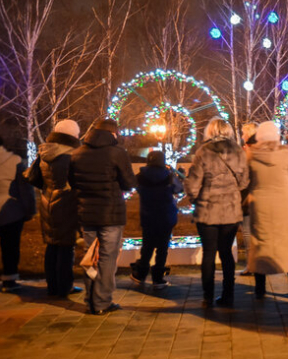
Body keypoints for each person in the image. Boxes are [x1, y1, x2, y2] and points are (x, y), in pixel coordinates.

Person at [69, 118, 137, 314]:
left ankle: (91, 298)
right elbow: (128, 182)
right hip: (111, 214)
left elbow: (72, 182)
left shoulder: (77, 153)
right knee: (107, 258)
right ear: (113, 133)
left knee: (91, 256)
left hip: (87, 213)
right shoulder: (117, 153)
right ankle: (102, 302)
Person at [185, 118, 249, 308]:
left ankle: (207, 297)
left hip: (207, 211)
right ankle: (228, 295)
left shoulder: (203, 152)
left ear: (210, 131)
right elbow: (245, 182)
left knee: (208, 253)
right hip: (230, 210)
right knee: (226, 253)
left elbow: (194, 183)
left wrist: (193, 198)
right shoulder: (238, 152)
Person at [245, 122, 288, 299]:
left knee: (260, 244)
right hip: (284, 205)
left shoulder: (251, 154)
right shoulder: (286, 153)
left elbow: (246, 180)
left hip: (260, 205)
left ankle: (260, 289)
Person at [25, 120, 81, 296]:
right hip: (65, 203)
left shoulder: (45, 152)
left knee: (52, 245)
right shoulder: (70, 155)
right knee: (66, 247)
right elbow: (75, 182)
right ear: (72, 135)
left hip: (47, 201)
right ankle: (64, 287)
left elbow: (37, 178)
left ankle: (52, 286)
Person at [129, 150, 183, 288]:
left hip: (148, 215)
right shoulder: (169, 176)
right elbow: (179, 189)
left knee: (147, 246)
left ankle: (140, 274)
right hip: (166, 216)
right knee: (162, 248)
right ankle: (158, 278)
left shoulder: (140, 176)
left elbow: (132, 186)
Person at [0, 130, 36, 293]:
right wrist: (29, 210)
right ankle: (9, 279)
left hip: (10, 210)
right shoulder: (14, 162)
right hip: (11, 212)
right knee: (10, 246)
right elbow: (25, 190)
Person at [239, 122, 258, 276]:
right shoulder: (259, 150)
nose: (241, 136)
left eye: (243, 133)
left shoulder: (249, 152)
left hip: (247, 196)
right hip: (256, 196)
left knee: (247, 232)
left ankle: (252, 266)